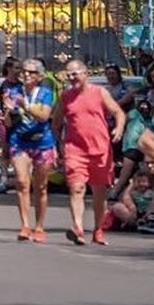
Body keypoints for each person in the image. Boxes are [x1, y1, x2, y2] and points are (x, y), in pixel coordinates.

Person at [52, 60, 125, 245]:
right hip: (75, 150)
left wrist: (119, 129)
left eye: (75, 74)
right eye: (68, 75)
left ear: (85, 74)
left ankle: (98, 230)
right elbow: (56, 123)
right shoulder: (65, 96)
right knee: (76, 188)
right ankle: (77, 228)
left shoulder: (100, 92)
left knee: (99, 193)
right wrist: (57, 145)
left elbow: (118, 113)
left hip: (100, 150)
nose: (71, 78)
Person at [5, 58, 57, 242]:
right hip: (19, 141)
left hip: (42, 142)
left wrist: (25, 106)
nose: (26, 74)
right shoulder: (14, 92)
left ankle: (39, 226)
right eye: (24, 71)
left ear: (40, 76)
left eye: (31, 72)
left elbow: (44, 116)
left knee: (41, 187)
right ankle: (25, 225)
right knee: (21, 182)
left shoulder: (46, 93)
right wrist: (9, 111)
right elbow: (8, 123)